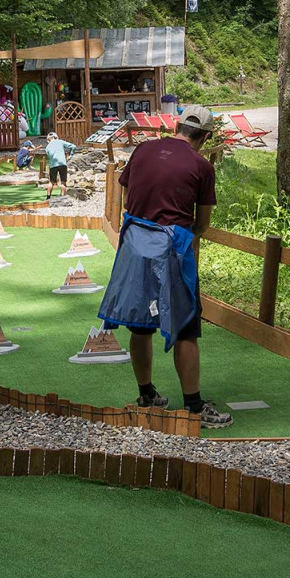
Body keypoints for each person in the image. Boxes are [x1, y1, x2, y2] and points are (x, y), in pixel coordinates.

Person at [96, 105, 232, 428]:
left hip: (135, 249)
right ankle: (194, 407)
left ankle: (147, 395)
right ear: (206, 136)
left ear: (177, 125)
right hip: (172, 250)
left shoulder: (143, 151)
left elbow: (127, 201)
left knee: (140, 326)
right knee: (185, 328)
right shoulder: (201, 166)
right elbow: (203, 223)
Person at [44, 131, 76, 199]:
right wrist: (71, 155)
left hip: (53, 165)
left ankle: (48, 197)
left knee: (51, 182)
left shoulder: (47, 147)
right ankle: (62, 197)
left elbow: (49, 156)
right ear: (56, 137)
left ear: (48, 140)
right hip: (62, 164)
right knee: (63, 182)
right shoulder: (60, 142)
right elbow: (73, 146)